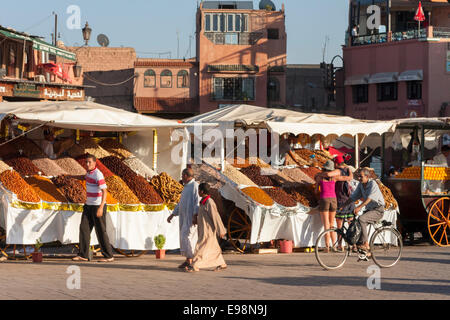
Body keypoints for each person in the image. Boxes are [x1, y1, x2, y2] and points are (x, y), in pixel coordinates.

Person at [73, 154, 114, 262]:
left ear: (95, 163)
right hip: (88, 205)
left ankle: (108, 255)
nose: (87, 164)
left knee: (100, 231)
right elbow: (84, 177)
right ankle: (83, 254)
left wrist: (101, 207)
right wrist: (71, 176)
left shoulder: (98, 175)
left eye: (89, 162)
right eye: (86, 162)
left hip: (97, 206)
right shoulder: (89, 173)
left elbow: (105, 191)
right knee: (84, 228)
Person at [340, 168, 385, 254]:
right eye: (358, 177)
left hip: (378, 210)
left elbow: (369, 198)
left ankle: (366, 244)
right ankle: (365, 251)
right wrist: (343, 206)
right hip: (369, 210)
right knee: (357, 224)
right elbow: (353, 197)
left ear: (367, 176)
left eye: (361, 177)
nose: (359, 178)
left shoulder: (373, 184)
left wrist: (359, 207)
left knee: (362, 219)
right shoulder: (361, 185)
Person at [185, 183, 227, 272]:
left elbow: (215, 216)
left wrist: (221, 230)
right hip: (203, 228)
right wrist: (195, 219)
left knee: (200, 247)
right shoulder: (203, 201)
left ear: (202, 191)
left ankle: (195, 265)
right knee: (213, 247)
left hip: (208, 230)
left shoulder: (209, 202)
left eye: (199, 190)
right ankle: (222, 263)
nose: (198, 192)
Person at [318, 158, 354, 251]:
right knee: (331, 223)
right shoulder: (335, 178)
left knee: (326, 224)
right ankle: (334, 245)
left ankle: (327, 246)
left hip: (324, 199)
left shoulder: (320, 177)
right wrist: (350, 172)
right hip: (334, 200)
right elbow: (348, 178)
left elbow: (315, 190)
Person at [167, 168, 200, 269]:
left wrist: (195, 215)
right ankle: (188, 260)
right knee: (184, 238)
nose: (181, 177)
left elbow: (197, 202)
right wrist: (173, 214)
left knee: (189, 238)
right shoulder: (186, 187)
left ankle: (191, 261)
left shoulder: (195, 186)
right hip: (184, 217)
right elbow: (181, 203)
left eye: (182, 175)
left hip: (191, 218)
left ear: (186, 175)